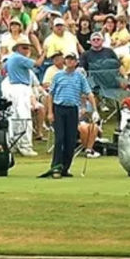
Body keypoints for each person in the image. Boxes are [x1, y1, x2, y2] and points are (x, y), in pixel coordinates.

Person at [43, 51, 95, 179]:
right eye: (68, 59)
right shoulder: (58, 76)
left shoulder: (80, 77)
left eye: (72, 59)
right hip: (59, 109)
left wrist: (95, 110)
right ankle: (56, 166)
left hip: (73, 110)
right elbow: (50, 95)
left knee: (70, 140)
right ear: (64, 61)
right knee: (60, 138)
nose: (70, 61)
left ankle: (65, 168)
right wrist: (50, 112)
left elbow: (89, 93)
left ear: (76, 62)